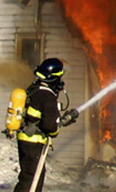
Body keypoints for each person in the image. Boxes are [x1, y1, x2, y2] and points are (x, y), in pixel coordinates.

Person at [13, 58, 79, 192]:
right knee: (32, 182)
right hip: (35, 143)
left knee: (27, 177)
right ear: (53, 78)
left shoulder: (34, 89)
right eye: (59, 78)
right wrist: (62, 122)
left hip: (25, 140)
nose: (61, 82)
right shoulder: (47, 96)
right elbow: (51, 127)